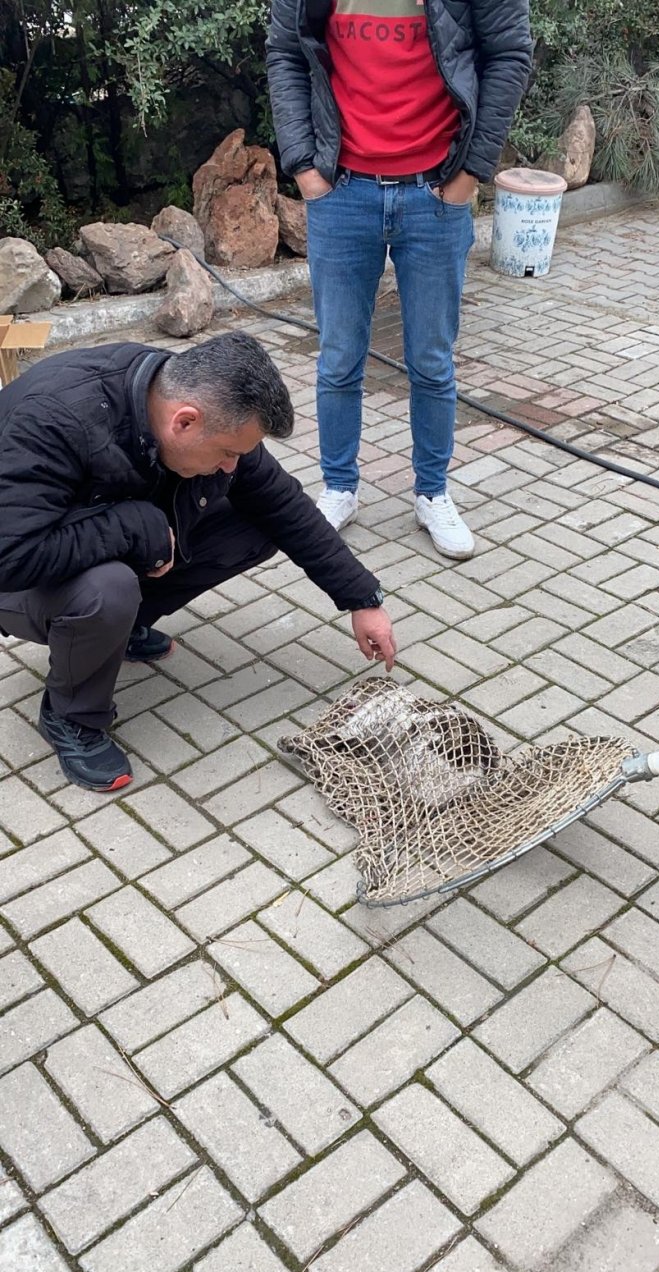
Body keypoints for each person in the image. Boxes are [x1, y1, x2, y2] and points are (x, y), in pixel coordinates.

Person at [0, 331, 396, 792]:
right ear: (184, 423)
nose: (233, 466)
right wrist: (130, 527)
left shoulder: (197, 396)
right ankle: (71, 714)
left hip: (87, 542)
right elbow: (11, 555)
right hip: (16, 576)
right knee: (107, 590)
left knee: (256, 524)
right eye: (229, 453)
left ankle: (117, 632)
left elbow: (281, 503)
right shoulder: (56, 418)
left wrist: (361, 598)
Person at [266, 0, 531, 560]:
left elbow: (509, 54)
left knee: (431, 359)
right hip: (342, 193)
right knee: (339, 356)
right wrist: (303, 167)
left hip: (434, 192)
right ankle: (339, 487)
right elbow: (286, 53)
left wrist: (470, 174)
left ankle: (432, 493)